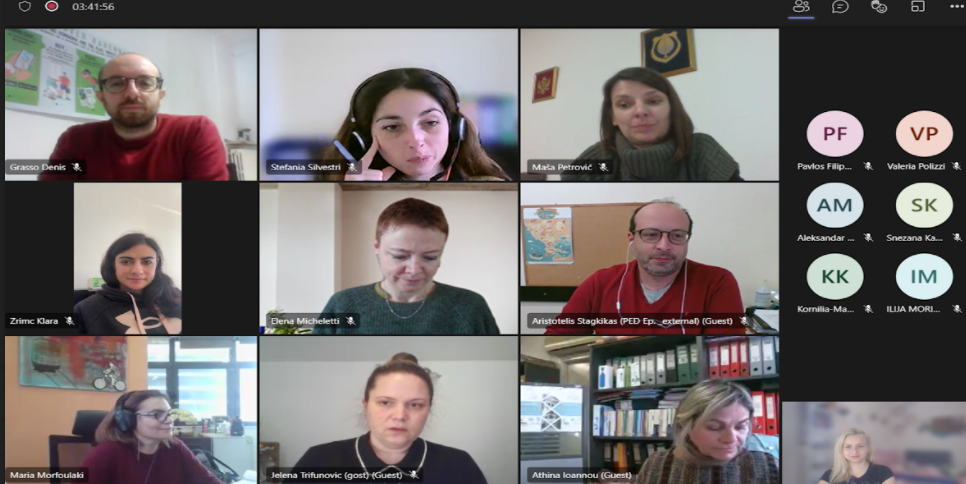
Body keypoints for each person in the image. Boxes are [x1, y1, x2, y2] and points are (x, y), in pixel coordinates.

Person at [543, 199, 745, 334]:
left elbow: (727, 348)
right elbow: (557, 334)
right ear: (631, 239)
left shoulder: (717, 282)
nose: (664, 246)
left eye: (677, 235)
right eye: (650, 234)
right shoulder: (601, 282)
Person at [287, 353, 488, 484]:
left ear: (428, 409)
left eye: (415, 405)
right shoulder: (318, 460)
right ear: (366, 405)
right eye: (385, 402)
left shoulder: (459, 464)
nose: (400, 416)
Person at [313, 198, 499, 334]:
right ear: (377, 247)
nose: (414, 270)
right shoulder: (343, 305)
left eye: (430, 257)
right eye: (399, 256)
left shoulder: (470, 307)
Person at [41, 53, 228, 180]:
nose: (132, 93)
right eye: (116, 84)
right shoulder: (75, 140)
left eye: (145, 83)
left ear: (160, 95)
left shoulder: (196, 130)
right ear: (101, 97)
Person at [316, 68, 510, 181]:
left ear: (454, 128)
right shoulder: (337, 188)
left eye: (431, 122)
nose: (416, 142)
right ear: (363, 139)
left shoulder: (492, 187)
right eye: (392, 127)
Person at [563, 67, 742, 182]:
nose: (640, 111)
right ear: (613, 117)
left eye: (654, 101)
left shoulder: (701, 149)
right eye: (624, 105)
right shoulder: (598, 156)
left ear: (672, 109)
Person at [601, 380, 779, 484]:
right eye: (714, 427)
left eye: (740, 426)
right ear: (685, 425)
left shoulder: (765, 464)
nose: (731, 439)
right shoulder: (657, 463)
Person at [82, 390, 224, 484]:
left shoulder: (175, 447)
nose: (169, 420)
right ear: (128, 419)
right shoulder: (106, 453)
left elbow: (208, 481)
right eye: (157, 414)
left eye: (169, 414)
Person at [75, 233, 182, 334]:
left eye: (147, 262)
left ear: (156, 263)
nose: (137, 271)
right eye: (126, 262)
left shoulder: (176, 297)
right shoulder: (85, 310)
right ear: (113, 264)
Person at [818, 428, 896, 484]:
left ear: (868, 448)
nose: (854, 451)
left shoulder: (883, 472)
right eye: (848, 447)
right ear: (841, 449)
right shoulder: (831, 475)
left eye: (860, 446)